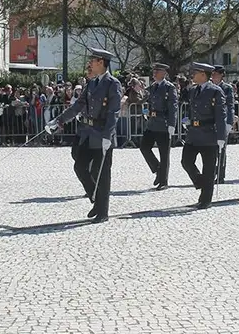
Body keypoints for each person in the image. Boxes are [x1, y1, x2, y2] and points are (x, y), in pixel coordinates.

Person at [47, 49, 121, 224]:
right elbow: (77, 106)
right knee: (80, 167)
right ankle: (95, 197)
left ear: (101, 62)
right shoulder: (92, 83)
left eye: (93, 61)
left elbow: (114, 112)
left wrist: (108, 135)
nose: (90, 64)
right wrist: (58, 120)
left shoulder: (113, 83)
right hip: (88, 133)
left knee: (102, 173)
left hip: (102, 134)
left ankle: (103, 211)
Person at [180, 63, 227, 209]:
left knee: (208, 168)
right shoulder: (194, 90)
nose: (192, 75)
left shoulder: (215, 91)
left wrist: (221, 137)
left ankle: (206, 200)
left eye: (195, 73)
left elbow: (221, 115)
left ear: (203, 75)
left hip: (209, 134)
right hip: (193, 133)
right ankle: (200, 182)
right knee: (186, 161)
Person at [139, 63, 179, 190]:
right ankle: (157, 169)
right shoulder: (152, 87)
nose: (154, 73)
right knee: (144, 147)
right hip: (152, 123)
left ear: (164, 73)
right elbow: (146, 101)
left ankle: (163, 181)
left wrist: (172, 124)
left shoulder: (169, 88)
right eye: (154, 71)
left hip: (163, 123)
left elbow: (173, 107)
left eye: (157, 71)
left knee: (164, 154)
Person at [211, 65, 234, 183]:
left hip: (222, 121)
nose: (213, 76)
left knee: (221, 149)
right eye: (212, 74)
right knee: (211, 149)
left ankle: (220, 174)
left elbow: (230, 106)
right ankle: (211, 172)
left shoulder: (227, 88)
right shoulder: (210, 86)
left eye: (216, 74)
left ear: (221, 75)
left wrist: (229, 122)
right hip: (210, 121)